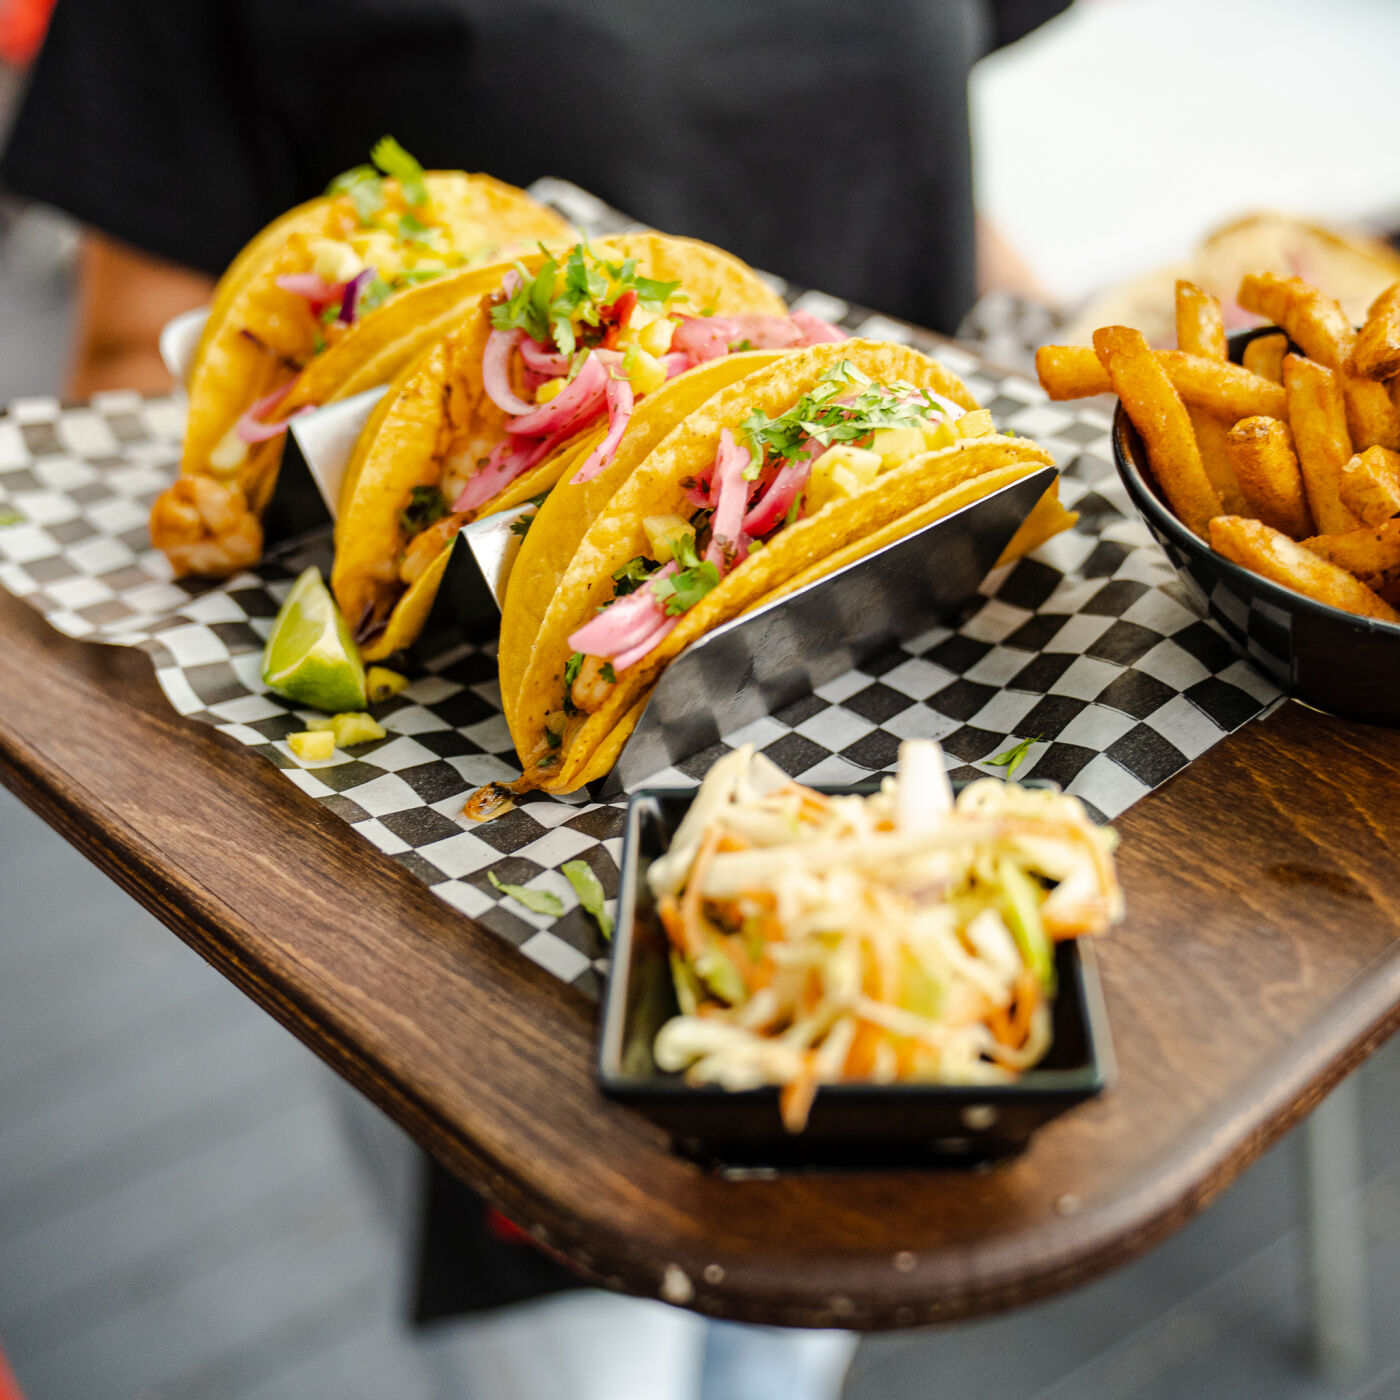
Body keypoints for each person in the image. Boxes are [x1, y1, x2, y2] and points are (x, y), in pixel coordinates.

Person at [0, 2, 1070, 1396]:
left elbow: (918, 152)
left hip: (901, 765)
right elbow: (133, 351)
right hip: (478, 856)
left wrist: (1046, 379)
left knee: (802, 1321)